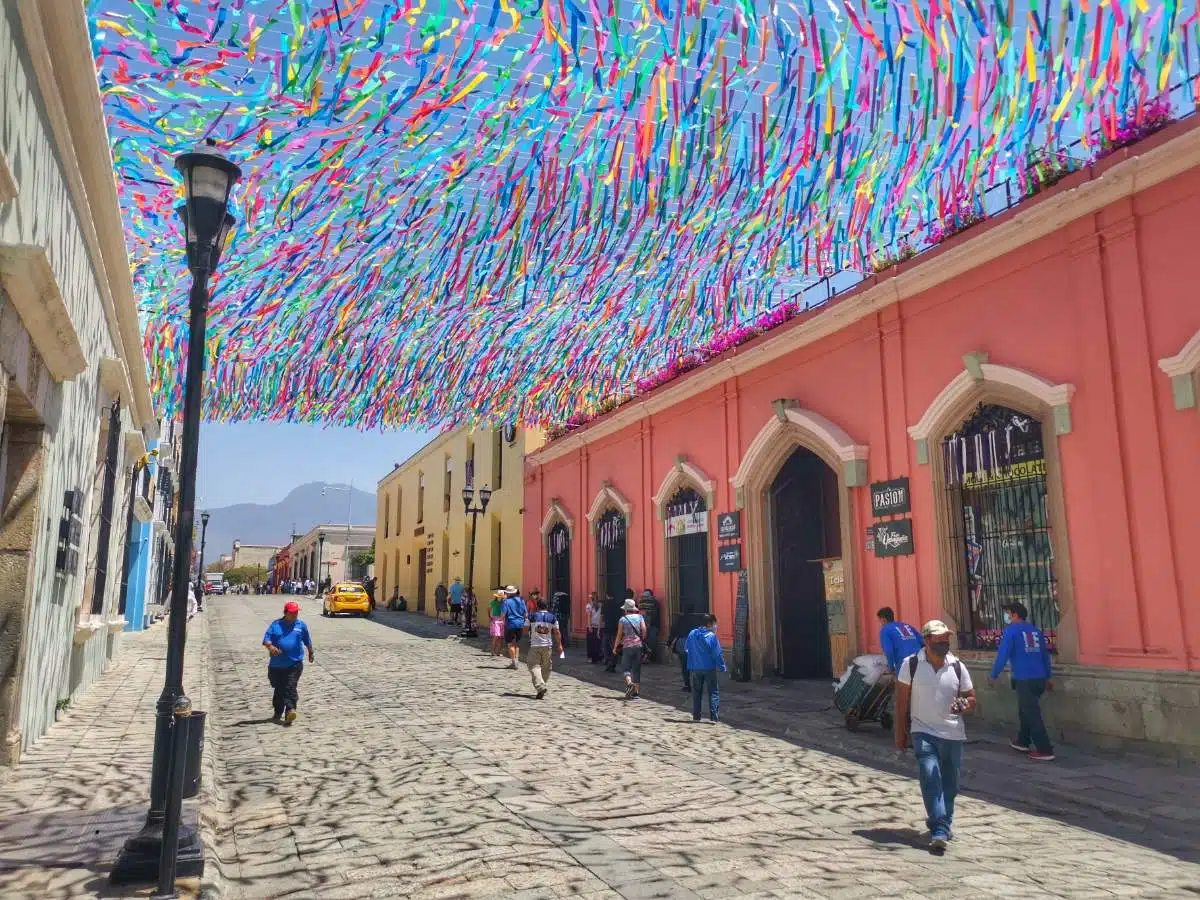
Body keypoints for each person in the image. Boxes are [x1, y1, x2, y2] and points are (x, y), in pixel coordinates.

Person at [894, 620, 976, 851]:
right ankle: (939, 827)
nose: (944, 643)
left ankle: (943, 822)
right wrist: (900, 734)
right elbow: (901, 704)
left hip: (953, 733)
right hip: (923, 731)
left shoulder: (957, 666)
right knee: (930, 775)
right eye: (939, 639)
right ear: (927, 640)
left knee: (950, 784)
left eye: (946, 639)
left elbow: (972, 698)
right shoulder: (910, 665)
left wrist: (965, 706)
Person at [989, 601, 1055, 761]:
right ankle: (1022, 741)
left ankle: (1045, 749)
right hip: (1039, 678)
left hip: (1024, 678)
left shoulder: (1011, 631)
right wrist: (1048, 677)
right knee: (1025, 709)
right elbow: (1045, 656)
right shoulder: (1035, 631)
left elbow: (1003, 655)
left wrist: (993, 675)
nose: (1007, 616)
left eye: (1008, 613)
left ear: (1015, 614)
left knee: (1032, 714)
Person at [262, 600, 315, 725]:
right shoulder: (276, 625)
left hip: (295, 663)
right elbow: (266, 639)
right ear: (285, 613)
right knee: (279, 688)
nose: (295, 615)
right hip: (277, 665)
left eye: (296, 612)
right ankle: (278, 711)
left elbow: (307, 640)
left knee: (290, 686)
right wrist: (271, 648)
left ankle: (290, 711)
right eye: (292, 613)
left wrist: (311, 652)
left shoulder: (301, 625)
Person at [686, 614, 726, 722]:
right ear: (709, 624)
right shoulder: (712, 637)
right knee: (713, 692)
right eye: (715, 624)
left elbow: (687, 649)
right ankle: (714, 717)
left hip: (695, 668)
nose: (716, 627)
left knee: (696, 693)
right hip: (709, 668)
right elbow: (717, 654)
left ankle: (696, 716)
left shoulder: (692, 633)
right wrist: (722, 666)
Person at [524, 594, 564, 699]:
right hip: (548, 646)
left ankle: (541, 686)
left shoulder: (532, 616)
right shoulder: (552, 617)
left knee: (533, 665)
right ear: (547, 606)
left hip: (535, 645)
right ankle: (542, 686)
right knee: (546, 667)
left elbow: (524, 629)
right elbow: (557, 632)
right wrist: (559, 645)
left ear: (537, 606)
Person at [613, 598, 646, 700]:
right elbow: (644, 630)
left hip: (627, 646)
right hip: (638, 646)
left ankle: (629, 683)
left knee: (626, 668)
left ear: (626, 609)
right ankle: (636, 693)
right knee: (636, 669)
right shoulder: (640, 617)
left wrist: (615, 647)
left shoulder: (623, 619)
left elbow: (619, 635)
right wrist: (642, 638)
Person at [877, 606, 924, 673]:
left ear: (883, 619)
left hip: (904, 665)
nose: (880, 623)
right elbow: (923, 642)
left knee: (902, 683)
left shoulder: (885, 630)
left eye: (880, 620)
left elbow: (889, 651)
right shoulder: (907, 626)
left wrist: (890, 667)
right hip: (921, 661)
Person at [667, 608, 698, 691]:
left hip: (683, 643)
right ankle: (697, 684)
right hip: (694, 643)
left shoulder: (679, 620)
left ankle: (687, 685)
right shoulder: (697, 619)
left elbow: (673, 632)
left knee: (684, 665)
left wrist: (669, 643)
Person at [501, 585, 528, 670]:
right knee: (517, 643)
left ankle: (514, 662)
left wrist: (501, 620)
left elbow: (503, 614)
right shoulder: (521, 600)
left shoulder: (506, 602)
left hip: (510, 624)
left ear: (507, 593)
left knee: (510, 644)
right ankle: (516, 660)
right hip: (520, 624)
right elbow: (526, 614)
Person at [638, 589, 661, 662]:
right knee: (651, 641)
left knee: (643, 640)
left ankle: (643, 656)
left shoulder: (640, 601)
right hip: (653, 624)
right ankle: (647, 657)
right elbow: (656, 614)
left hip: (642, 624)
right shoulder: (655, 602)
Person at [602, 591, 620, 672]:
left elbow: (602, 618)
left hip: (607, 628)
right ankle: (613, 663)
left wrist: (599, 628)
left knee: (605, 646)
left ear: (607, 596)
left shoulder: (604, 605)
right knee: (614, 647)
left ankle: (608, 660)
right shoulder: (617, 605)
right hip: (615, 628)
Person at [585, 593, 604, 663]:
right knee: (598, 643)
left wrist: (589, 626)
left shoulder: (589, 605)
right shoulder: (601, 606)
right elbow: (601, 618)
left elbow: (589, 616)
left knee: (590, 643)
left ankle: (590, 658)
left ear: (591, 598)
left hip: (591, 626)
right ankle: (597, 658)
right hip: (599, 626)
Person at [489, 590, 505, 656]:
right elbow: (489, 609)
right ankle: (493, 651)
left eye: (501, 597)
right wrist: (490, 616)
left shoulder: (504, 603)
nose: (500, 598)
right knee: (495, 636)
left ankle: (499, 651)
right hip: (496, 619)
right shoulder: (493, 602)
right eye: (499, 596)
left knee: (501, 637)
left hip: (502, 620)